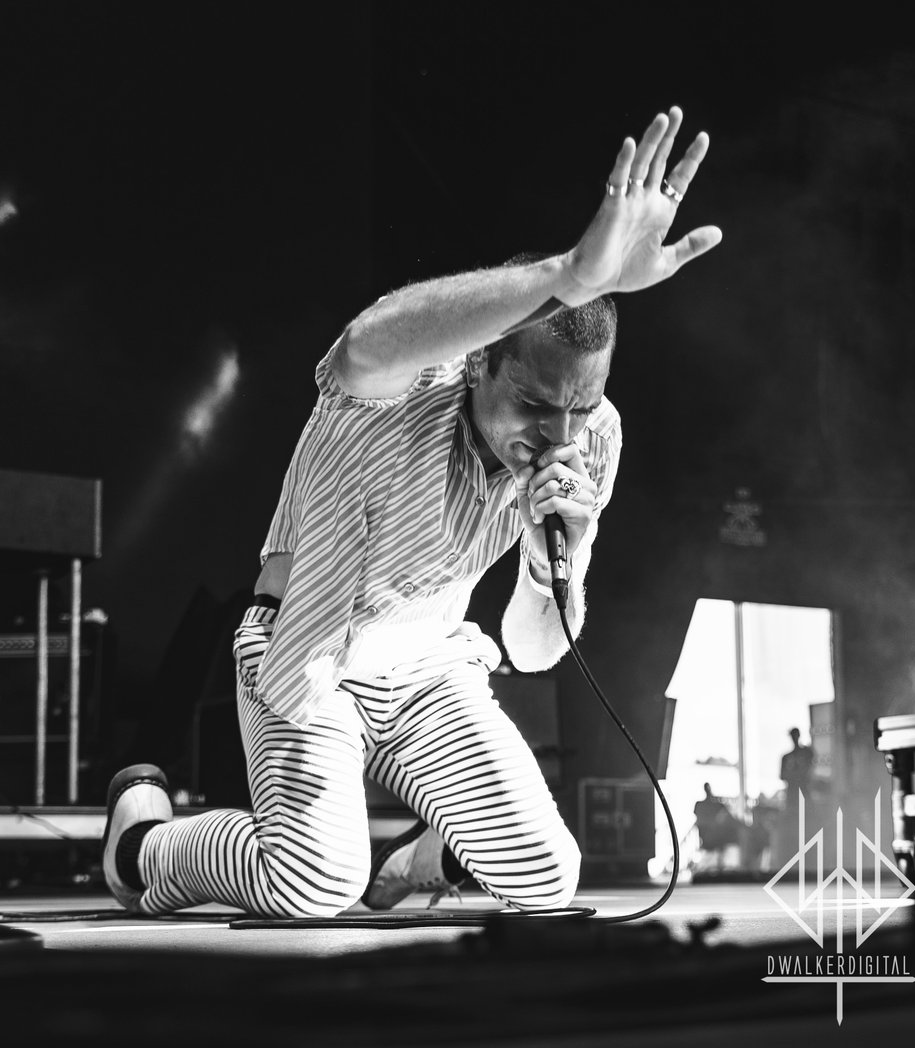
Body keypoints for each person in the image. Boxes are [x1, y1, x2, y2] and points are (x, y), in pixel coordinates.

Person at [102, 106, 722, 917]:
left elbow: (533, 652)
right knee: (313, 882)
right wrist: (570, 275)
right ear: (478, 366)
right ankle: (141, 843)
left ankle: (407, 867)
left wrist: (555, 551)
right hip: (308, 649)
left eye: (582, 406)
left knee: (547, 875)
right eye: (534, 404)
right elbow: (365, 342)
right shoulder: (400, 387)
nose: (557, 437)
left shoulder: (591, 441)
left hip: (429, 667)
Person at [780, 727, 814, 813]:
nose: (794, 738)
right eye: (792, 736)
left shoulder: (806, 752)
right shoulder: (787, 757)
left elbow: (809, 769)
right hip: (793, 793)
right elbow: (782, 775)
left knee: (806, 814)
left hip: (803, 789)